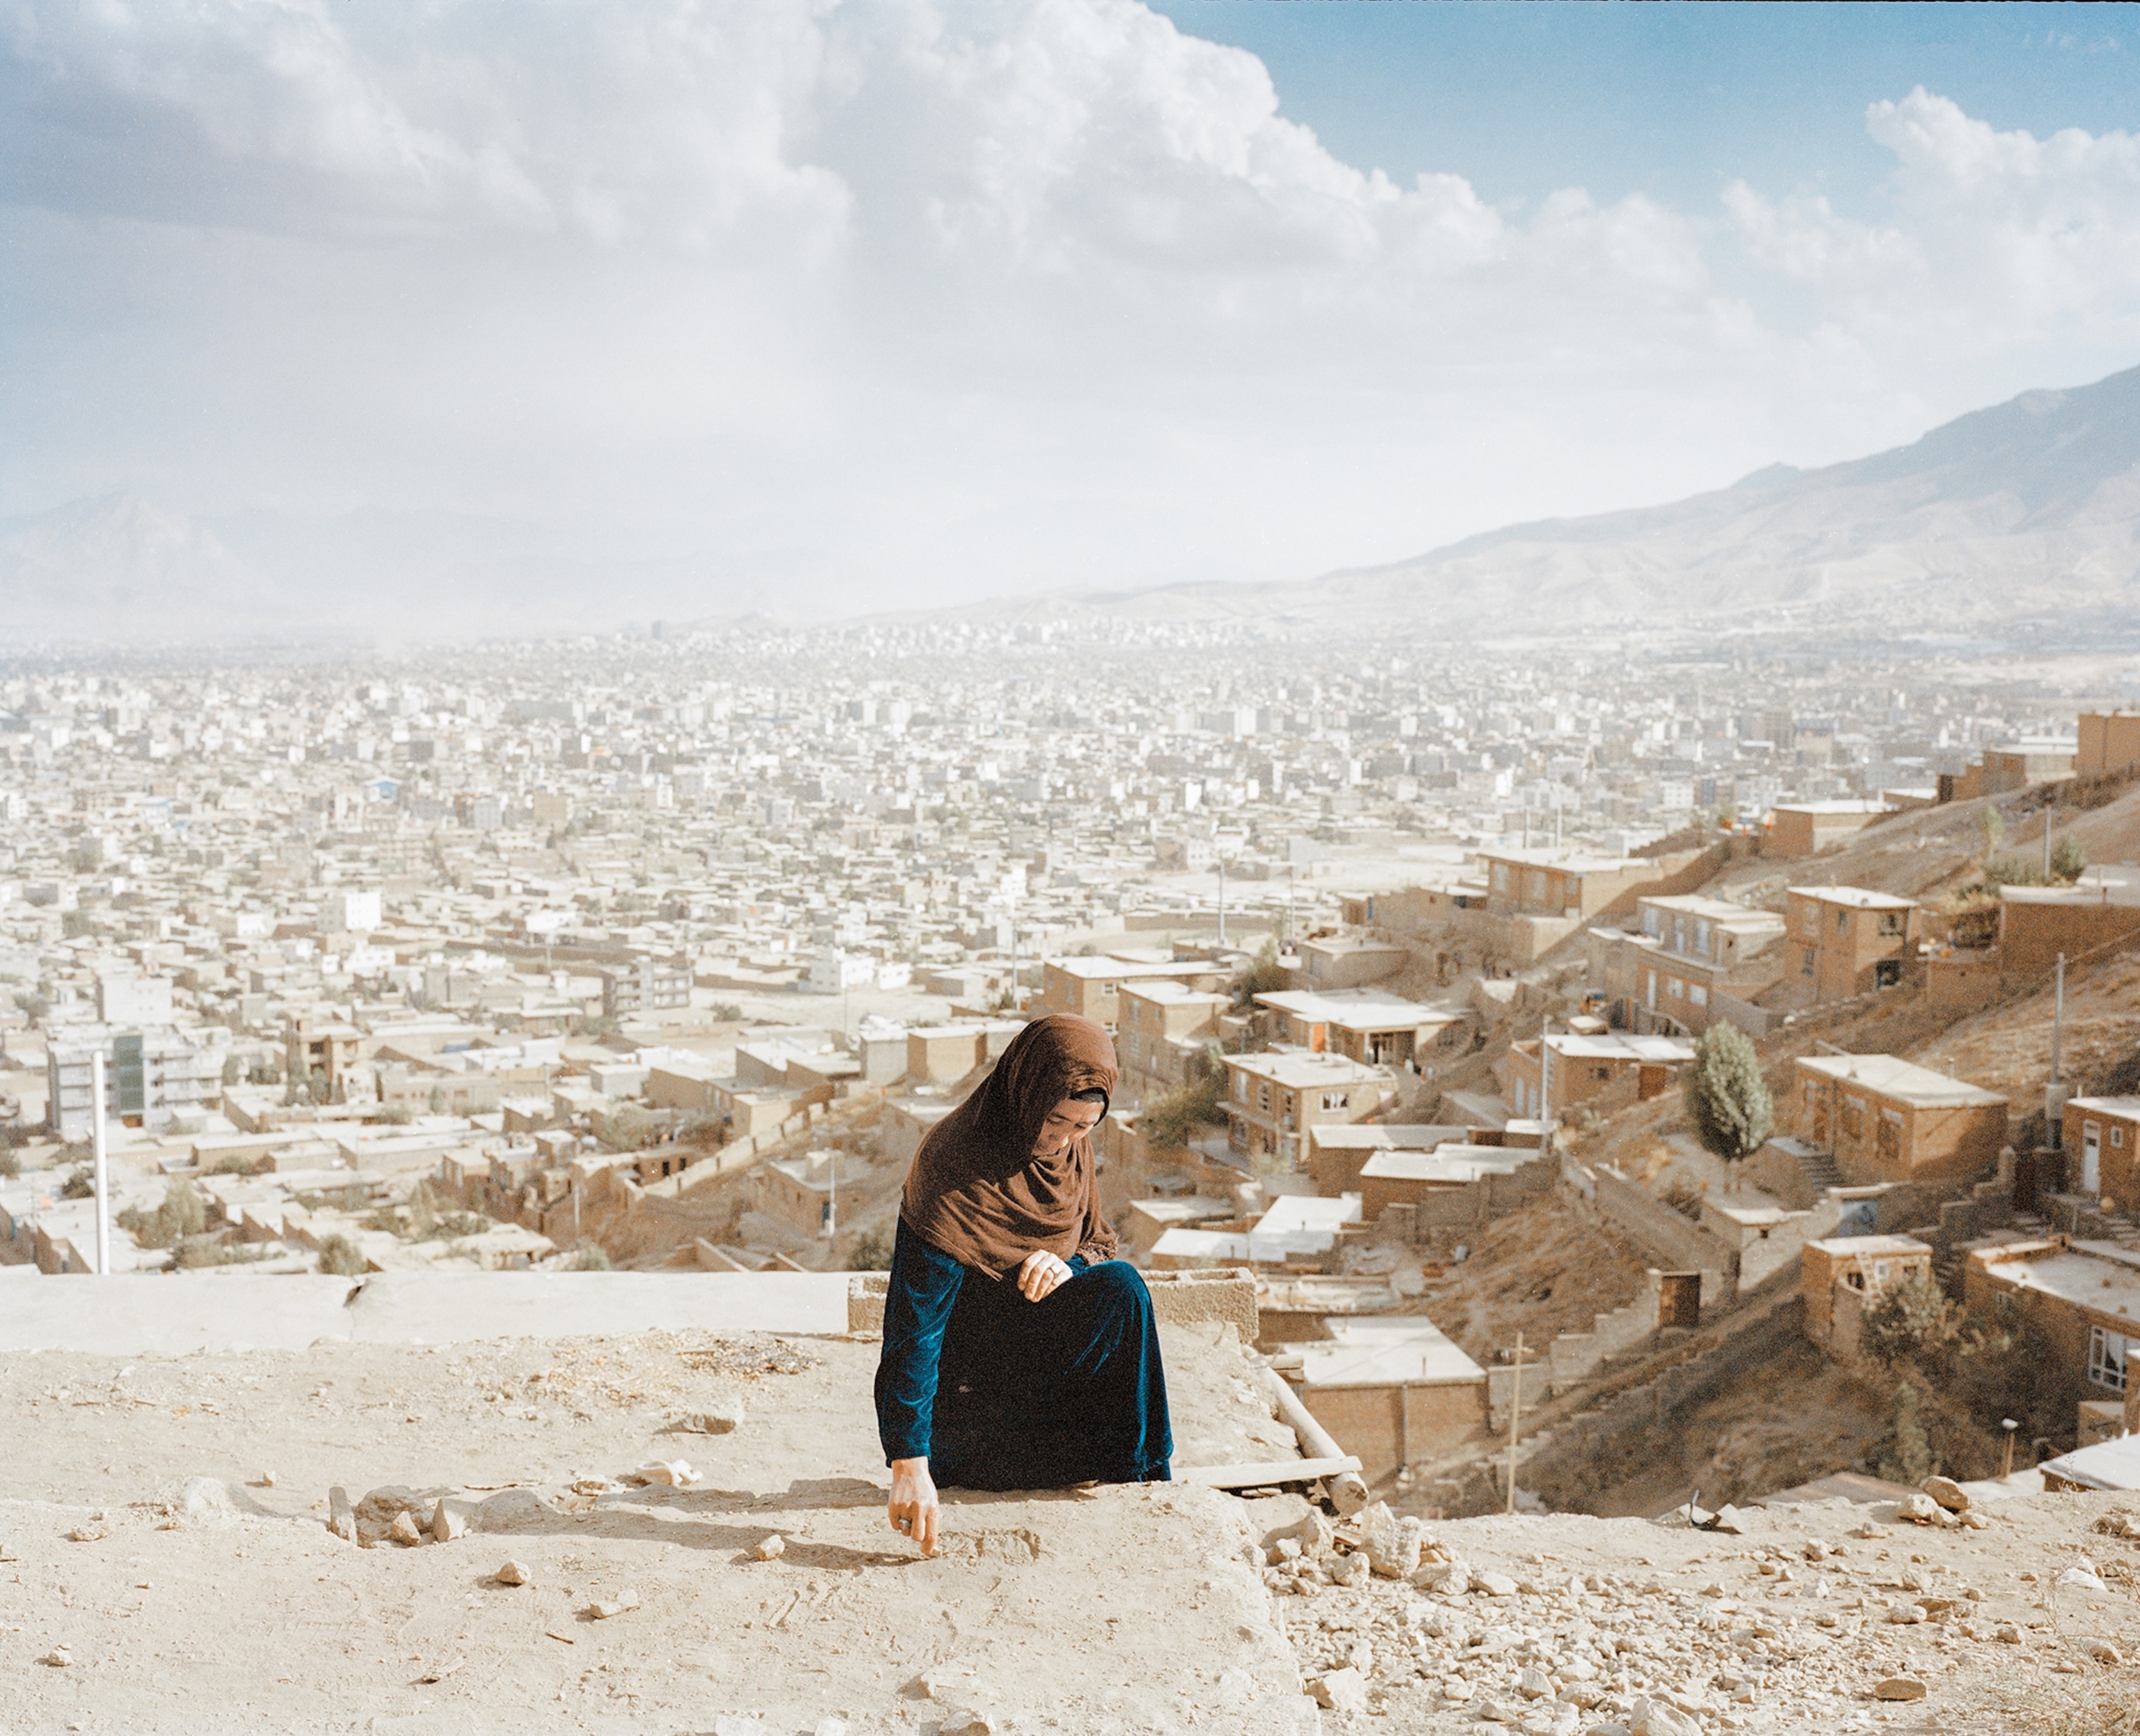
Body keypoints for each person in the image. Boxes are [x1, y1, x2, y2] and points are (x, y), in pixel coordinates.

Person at [874, 1013, 1172, 1556]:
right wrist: (909, 1465)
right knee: (1123, 1288)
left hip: (1030, 1387)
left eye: (1083, 1127)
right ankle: (1117, 1472)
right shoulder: (953, 1164)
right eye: (1053, 1120)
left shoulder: (1066, 1152)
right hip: (965, 1423)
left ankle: (1146, 1479)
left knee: (1121, 1290)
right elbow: (913, 1332)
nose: (1061, 1139)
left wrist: (1071, 1265)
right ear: (1025, 1094)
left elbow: (1099, 1241)